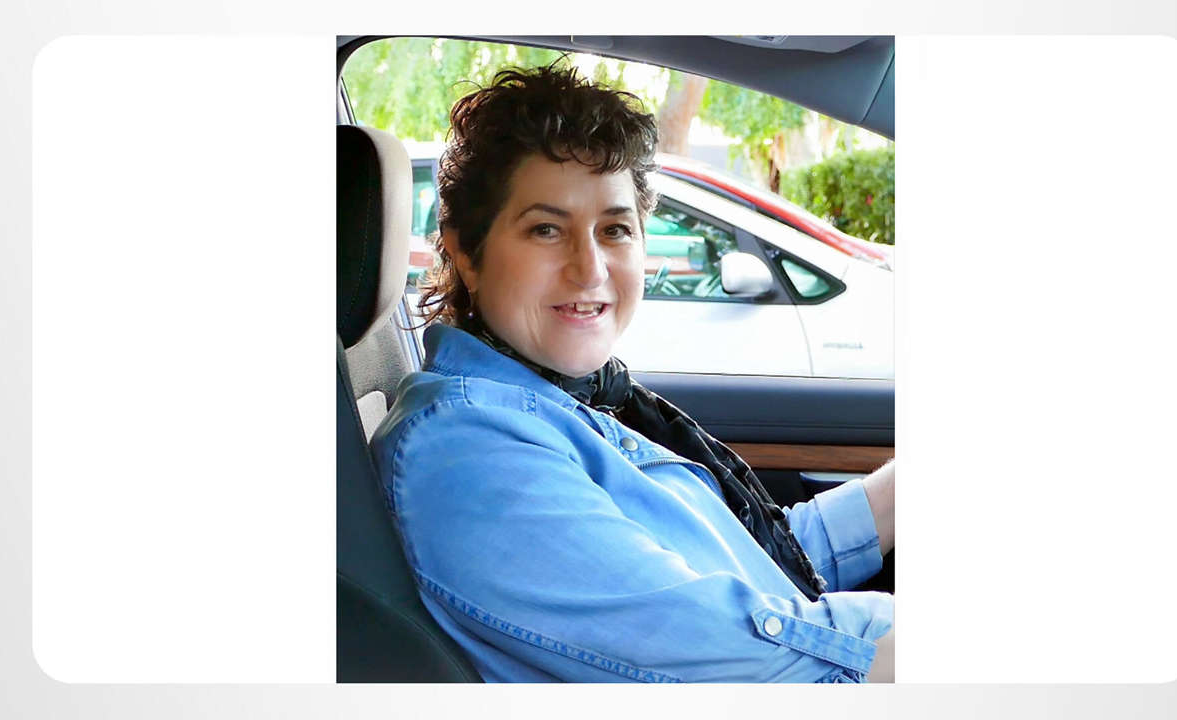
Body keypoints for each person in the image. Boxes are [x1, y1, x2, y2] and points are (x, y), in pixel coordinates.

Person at [370, 63, 895, 683]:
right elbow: (760, 653)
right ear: (465, 251)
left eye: (615, 229)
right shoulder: (466, 449)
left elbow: (755, 564)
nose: (590, 268)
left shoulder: (564, 403)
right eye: (546, 229)